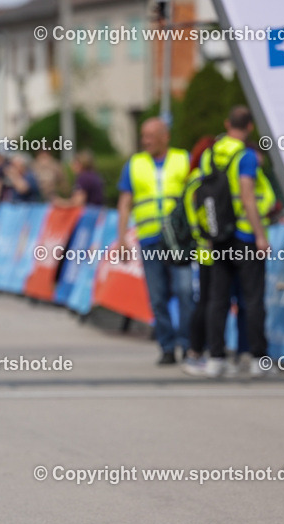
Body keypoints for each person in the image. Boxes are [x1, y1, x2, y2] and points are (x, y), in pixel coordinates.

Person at [187, 107, 272, 378]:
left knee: (218, 300)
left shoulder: (210, 154)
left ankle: (216, 358)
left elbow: (201, 193)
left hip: (218, 237)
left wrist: (208, 231)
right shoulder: (245, 156)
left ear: (227, 124)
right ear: (250, 127)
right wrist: (260, 234)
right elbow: (247, 196)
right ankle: (257, 359)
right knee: (253, 298)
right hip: (244, 237)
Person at [117, 117, 193, 365]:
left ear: (165, 136)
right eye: (143, 136)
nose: (145, 141)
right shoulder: (134, 164)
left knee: (185, 292)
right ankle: (167, 346)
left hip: (179, 241)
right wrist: (122, 239)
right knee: (158, 297)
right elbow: (125, 203)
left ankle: (188, 344)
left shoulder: (183, 159)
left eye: (150, 136)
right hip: (150, 239)